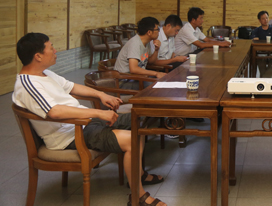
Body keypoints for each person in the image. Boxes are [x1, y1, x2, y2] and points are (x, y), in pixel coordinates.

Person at [12, 33, 167, 206]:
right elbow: (54, 112)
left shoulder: (45, 73)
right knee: (132, 140)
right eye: (51, 47)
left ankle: (139, 174)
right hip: (70, 135)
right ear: (38, 56)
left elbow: (72, 87)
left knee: (138, 120)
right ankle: (138, 197)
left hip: (85, 123)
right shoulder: (28, 84)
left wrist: (101, 95)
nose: (55, 51)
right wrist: (99, 113)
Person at [251, 11, 272, 78]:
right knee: (260, 59)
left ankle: (264, 79)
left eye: (267, 18)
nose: (266, 20)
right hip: (261, 52)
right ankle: (266, 79)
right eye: (263, 18)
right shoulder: (256, 30)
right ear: (259, 20)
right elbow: (256, 42)